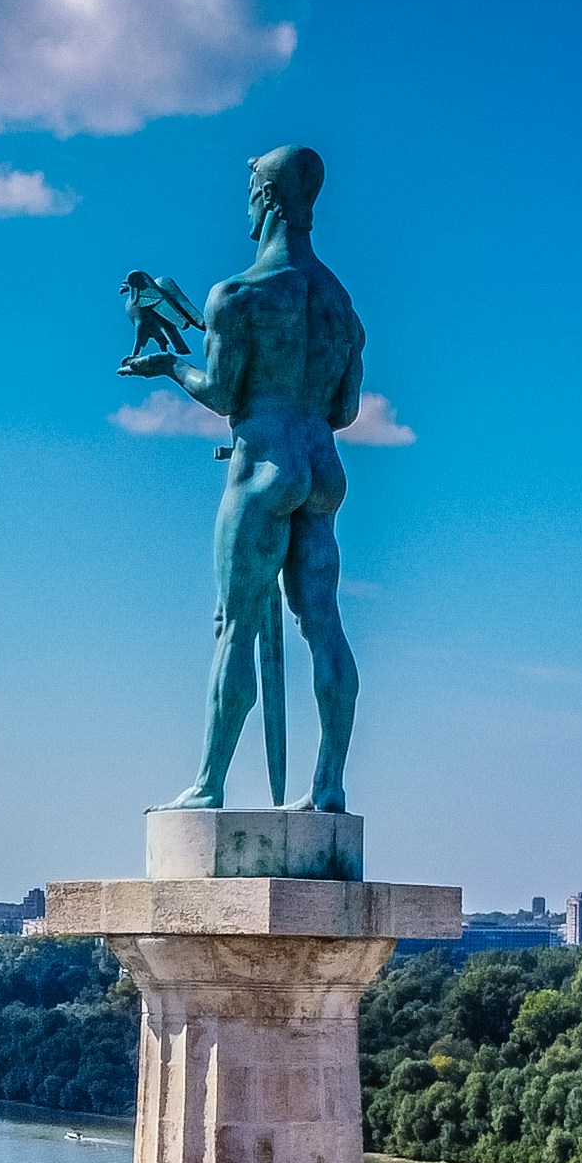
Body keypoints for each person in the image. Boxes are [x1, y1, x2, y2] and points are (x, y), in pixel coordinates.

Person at [118, 145, 368, 812]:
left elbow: (225, 393)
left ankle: (208, 784)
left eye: (250, 190)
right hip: (321, 467)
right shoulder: (343, 308)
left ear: (266, 199)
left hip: (263, 466)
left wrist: (170, 368)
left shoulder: (238, 295)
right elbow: (344, 410)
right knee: (324, 623)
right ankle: (330, 783)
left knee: (235, 624)